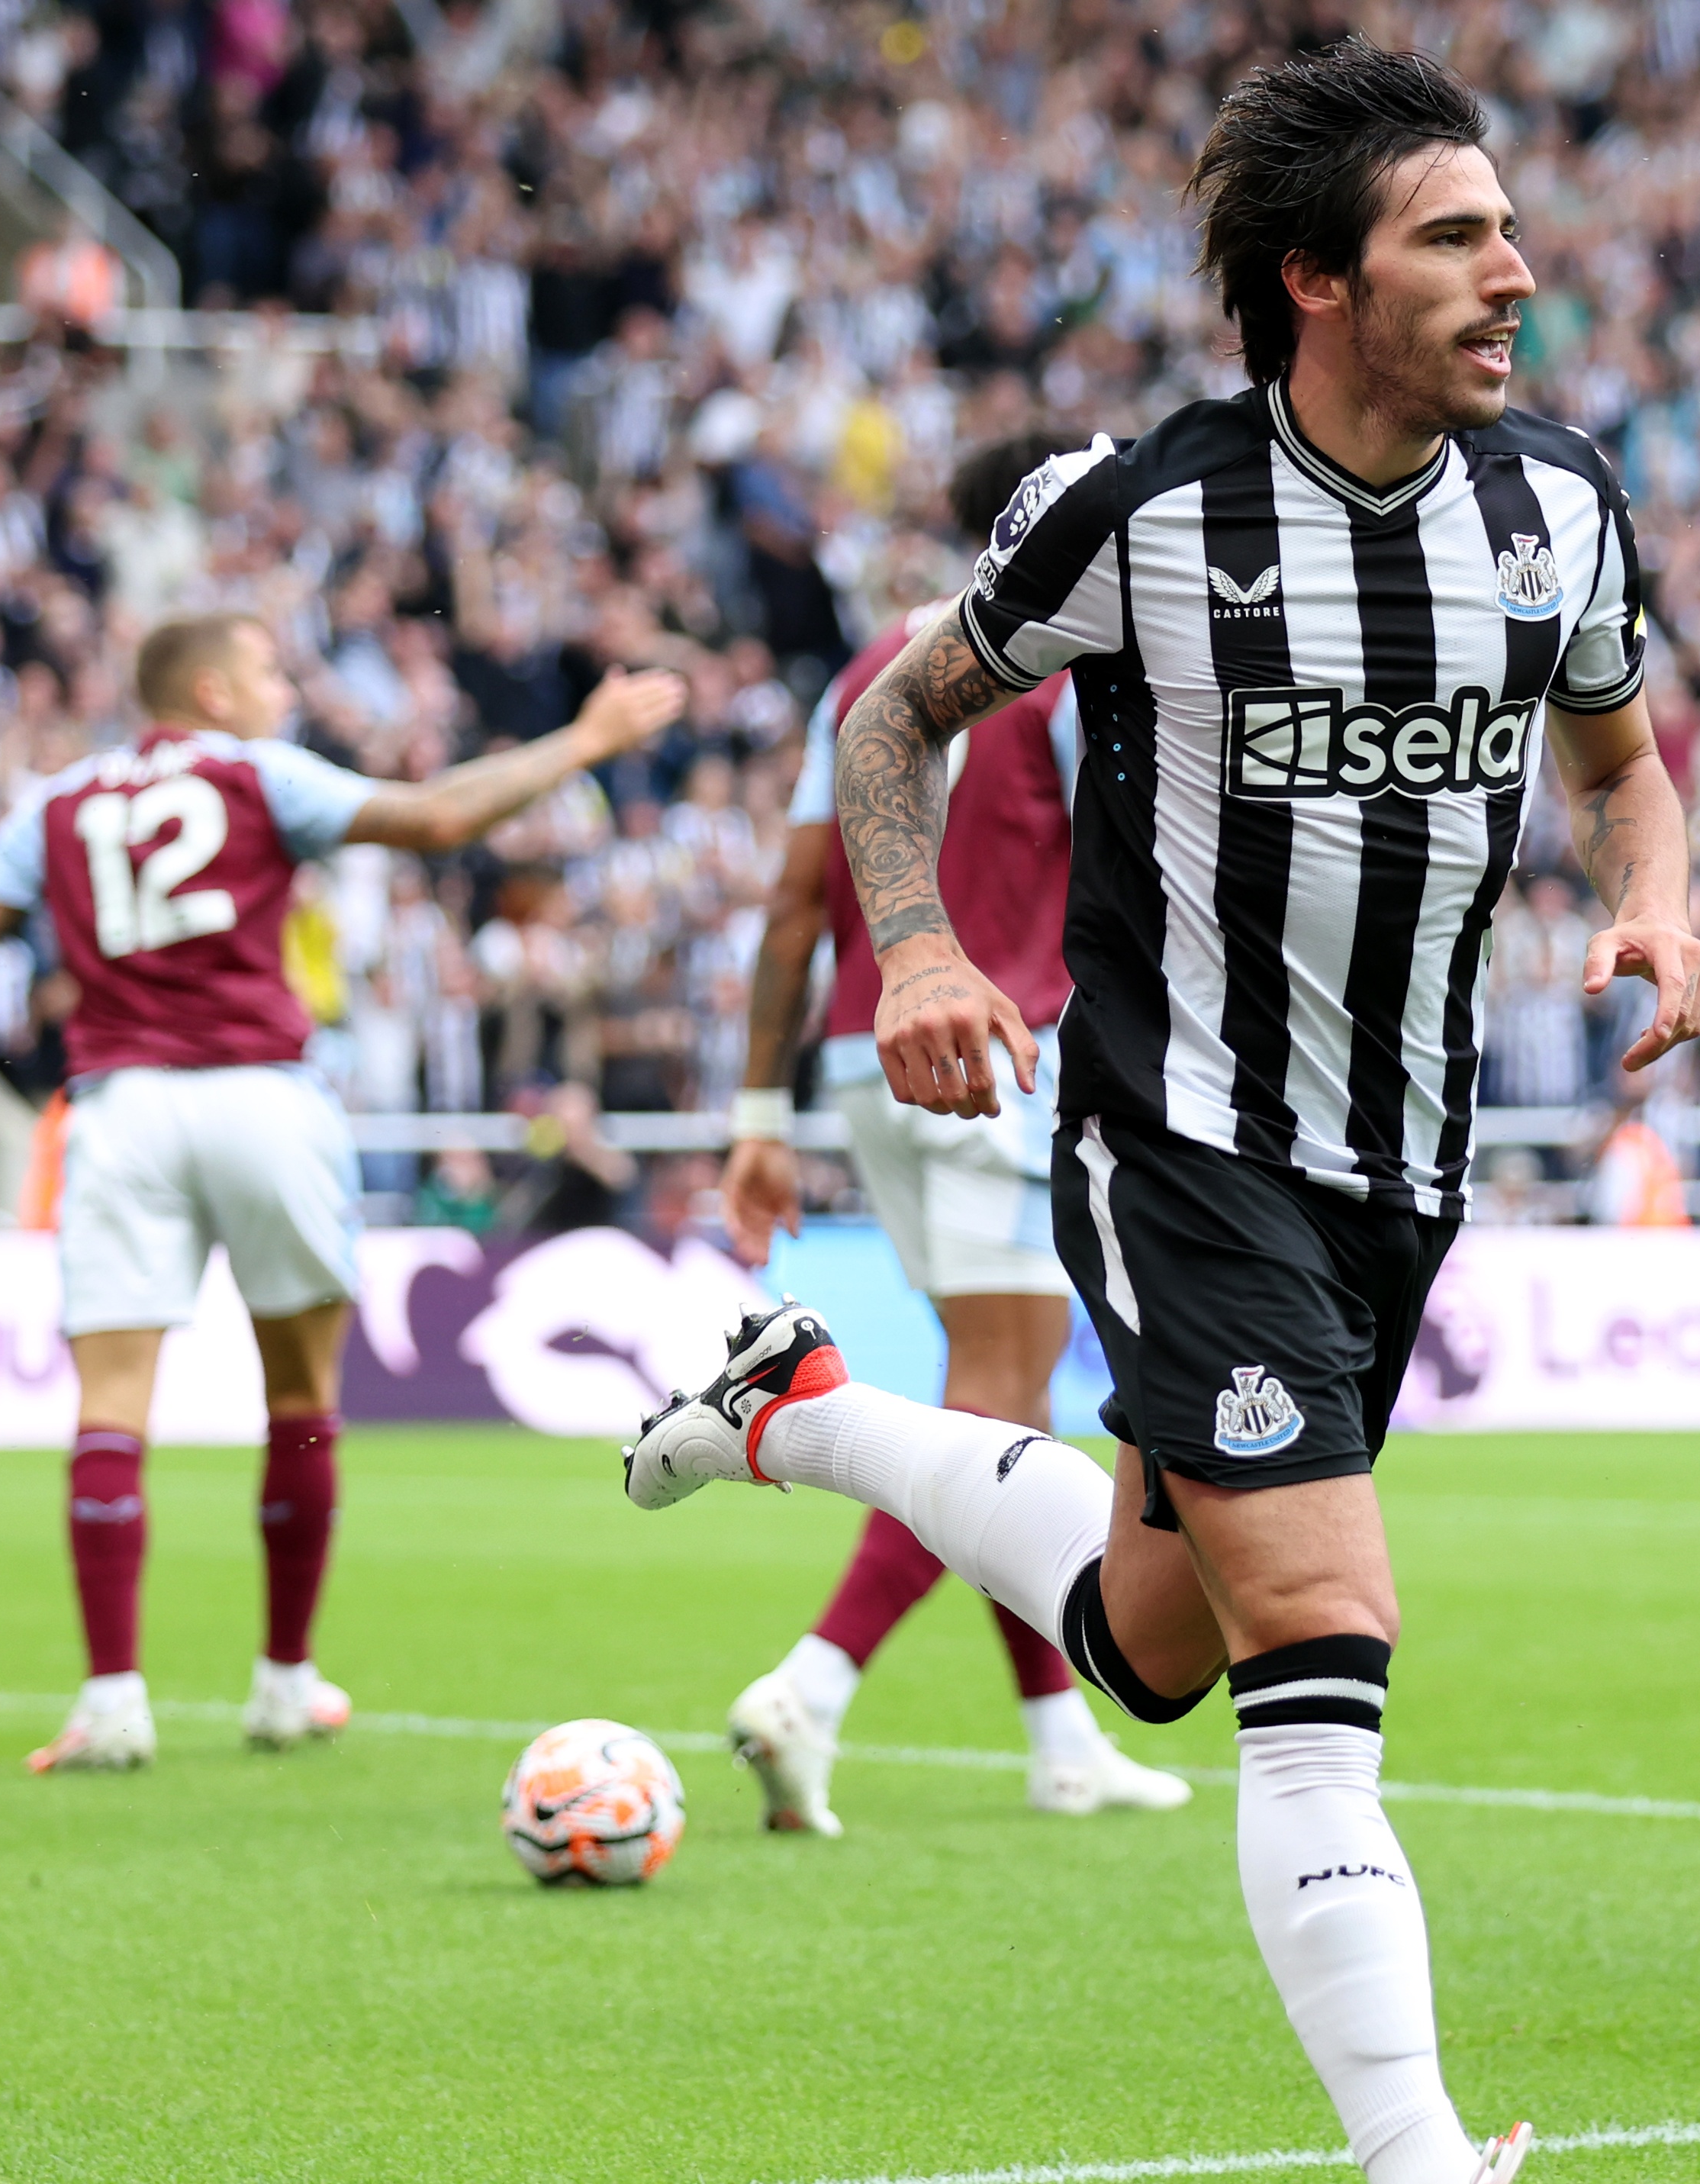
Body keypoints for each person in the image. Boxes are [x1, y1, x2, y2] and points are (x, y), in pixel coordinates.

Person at [621, 43, 1700, 2184]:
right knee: (1321, 1641)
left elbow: (1614, 765)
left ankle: (802, 1411)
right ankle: (1415, 2152)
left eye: (1503, 227)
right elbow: (891, 717)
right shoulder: (1146, 507)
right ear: (1315, 279)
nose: (1515, 271)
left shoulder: (1556, 503)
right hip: (1180, 1136)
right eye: (1456, 238)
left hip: (1403, 1163)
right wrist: (924, 947)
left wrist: (1654, 907)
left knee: (1144, 1639)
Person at [0, 612, 685, 1774]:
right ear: (208, 688)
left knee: (111, 1405)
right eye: (264, 671)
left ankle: (111, 1701)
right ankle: (286, 1680)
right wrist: (581, 739)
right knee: (296, 1394)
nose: (283, 689)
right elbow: (438, 817)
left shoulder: (53, 801)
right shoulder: (256, 774)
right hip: (261, 1099)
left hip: (121, 1110)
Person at [716, 430, 1190, 1834]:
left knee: (1006, 1399)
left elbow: (797, 906)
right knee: (994, 1399)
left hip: (878, 1055)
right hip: (1001, 1050)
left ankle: (1057, 1737)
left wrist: (758, 1110)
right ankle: (810, 1684)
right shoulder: (1076, 660)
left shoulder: (868, 673)